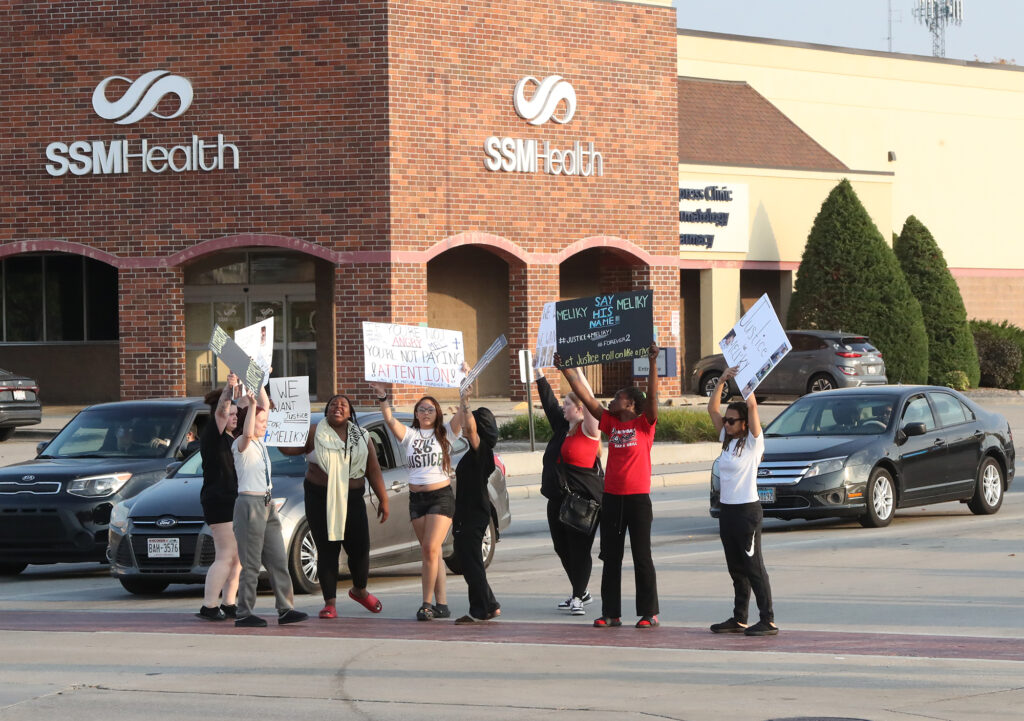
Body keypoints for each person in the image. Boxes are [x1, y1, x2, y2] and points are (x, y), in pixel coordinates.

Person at [558, 343, 661, 629]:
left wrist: (653, 363)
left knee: (642, 557)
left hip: (638, 500)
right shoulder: (610, 423)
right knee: (611, 557)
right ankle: (611, 613)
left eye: (617, 398)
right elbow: (585, 396)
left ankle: (649, 613)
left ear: (630, 404)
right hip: (612, 499)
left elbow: (652, 396)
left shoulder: (644, 424)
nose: (611, 401)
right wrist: (566, 369)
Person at [280, 394, 390, 619]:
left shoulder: (362, 436)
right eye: (333, 404)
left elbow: (373, 470)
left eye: (343, 405)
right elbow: (288, 450)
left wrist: (384, 499)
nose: (337, 407)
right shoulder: (314, 432)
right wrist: (279, 426)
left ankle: (359, 590)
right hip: (320, 498)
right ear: (326, 410)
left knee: (360, 549)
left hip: (353, 498)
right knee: (327, 549)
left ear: (350, 413)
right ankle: (329, 603)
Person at [370, 380, 464, 621]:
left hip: (440, 497)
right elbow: (389, 420)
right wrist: (383, 397)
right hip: (416, 499)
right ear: (416, 414)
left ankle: (426, 604)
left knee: (430, 549)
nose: (426, 413)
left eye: (430, 409)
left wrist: (464, 395)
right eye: (421, 409)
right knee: (432, 553)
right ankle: (442, 604)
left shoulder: (445, 433)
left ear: (437, 413)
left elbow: (461, 417)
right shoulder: (410, 435)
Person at [707, 366, 778, 636]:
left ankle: (768, 619)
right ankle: (739, 618)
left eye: (732, 421)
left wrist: (745, 378)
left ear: (744, 423)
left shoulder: (753, 443)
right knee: (736, 568)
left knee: (753, 566)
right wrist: (723, 380)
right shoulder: (727, 440)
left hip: (747, 511)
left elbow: (753, 406)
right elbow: (712, 409)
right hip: (727, 511)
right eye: (726, 420)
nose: (726, 424)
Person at [232, 387, 308, 627]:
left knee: (278, 559)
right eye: (261, 421)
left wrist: (262, 381)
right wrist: (252, 404)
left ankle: (286, 608)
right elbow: (247, 431)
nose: (266, 425)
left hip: (267, 503)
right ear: (250, 420)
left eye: (266, 421)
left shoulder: (261, 444)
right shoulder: (241, 444)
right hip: (249, 505)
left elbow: (265, 405)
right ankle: (244, 612)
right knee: (251, 563)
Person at [536, 370, 602, 616]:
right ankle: (581, 591)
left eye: (567, 404)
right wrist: (539, 374)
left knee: (579, 550)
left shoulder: (590, 430)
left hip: (582, 502)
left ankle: (578, 596)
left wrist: (577, 370)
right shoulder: (563, 428)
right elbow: (549, 403)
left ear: (580, 408)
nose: (563, 407)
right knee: (561, 548)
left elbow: (590, 398)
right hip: (557, 498)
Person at [451, 383, 501, 624]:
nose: (464, 424)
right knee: (471, 563)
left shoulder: (482, 451)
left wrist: (465, 401)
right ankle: (489, 605)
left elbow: (471, 431)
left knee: (471, 565)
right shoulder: (477, 453)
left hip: (473, 514)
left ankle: (480, 610)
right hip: (469, 513)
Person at [196, 373, 244, 621]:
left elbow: (247, 406)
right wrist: (229, 388)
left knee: (237, 558)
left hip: (234, 500)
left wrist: (258, 380)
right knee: (226, 554)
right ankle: (209, 605)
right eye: (231, 414)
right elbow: (222, 411)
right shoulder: (213, 435)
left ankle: (229, 602)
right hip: (219, 500)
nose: (234, 417)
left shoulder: (233, 437)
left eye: (236, 414)